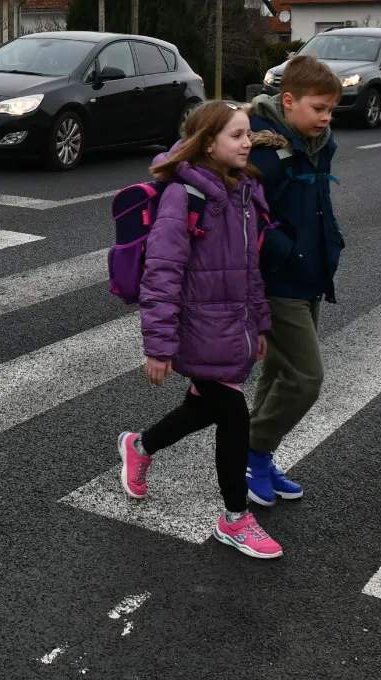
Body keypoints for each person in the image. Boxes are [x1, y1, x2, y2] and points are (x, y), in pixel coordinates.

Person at [118, 101, 281, 559]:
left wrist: (260, 324)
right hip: (198, 324)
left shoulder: (244, 191)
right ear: (209, 142)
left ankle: (141, 445)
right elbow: (162, 272)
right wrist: (159, 346)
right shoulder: (184, 195)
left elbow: (251, 269)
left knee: (203, 407)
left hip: (232, 324)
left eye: (248, 134)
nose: (248, 142)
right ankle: (235, 518)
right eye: (236, 135)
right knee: (232, 414)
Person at [242, 55, 345, 506]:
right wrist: (284, 252)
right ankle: (251, 450)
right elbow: (247, 219)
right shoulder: (266, 151)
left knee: (281, 371)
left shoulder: (317, 143)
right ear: (289, 100)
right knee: (306, 378)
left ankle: (257, 458)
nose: (326, 118)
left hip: (310, 272)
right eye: (318, 108)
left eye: (330, 110)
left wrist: (326, 250)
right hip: (279, 279)